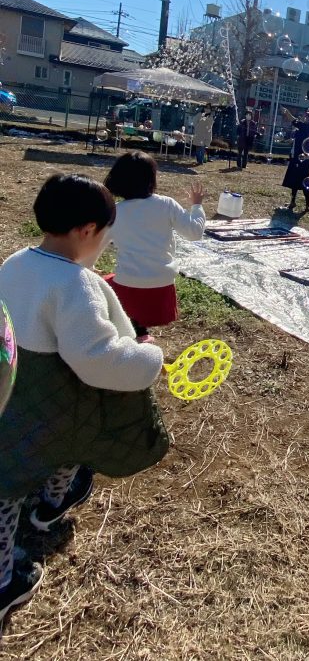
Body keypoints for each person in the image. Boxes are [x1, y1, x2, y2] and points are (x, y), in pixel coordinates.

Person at [0, 174, 167, 623]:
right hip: (56, 399)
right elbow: (98, 359)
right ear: (88, 230)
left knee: (8, 475)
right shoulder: (76, 285)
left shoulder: (16, 262)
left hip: (11, 393)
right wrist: (149, 358)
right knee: (71, 444)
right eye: (104, 236)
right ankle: (19, 560)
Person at [103, 152, 206, 342]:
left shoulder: (115, 211)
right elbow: (195, 233)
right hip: (162, 285)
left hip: (128, 284)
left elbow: (98, 243)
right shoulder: (166, 204)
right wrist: (197, 206)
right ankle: (140, 334)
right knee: (116, 283)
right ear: (151, 179)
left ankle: (133, 332)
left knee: (105, 284)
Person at [281, 108, 309, 211]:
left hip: (304, 159)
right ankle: (292, 202)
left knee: (305, 181)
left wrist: (287, 112)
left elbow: (293, 120)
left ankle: (308, 204)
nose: (304, 118)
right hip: (296, 157)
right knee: (294, 180)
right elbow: (295, 140)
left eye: (306, 117)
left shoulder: (307, 128)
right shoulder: (301, 129)